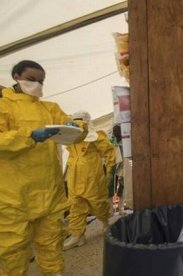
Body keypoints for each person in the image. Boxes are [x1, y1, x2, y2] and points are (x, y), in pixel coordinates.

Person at [0, 60, 87, 275]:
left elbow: (75, 132)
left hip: (49, 192)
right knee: (13, 250)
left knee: (51, 242)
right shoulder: (4, 107)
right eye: (31, 79)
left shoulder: (50, 108)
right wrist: (30, 136)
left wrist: (78, 126)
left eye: (41, 81)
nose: (37, 84)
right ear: (16, 76)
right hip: (13, 195)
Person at [63, 111, 116, 250]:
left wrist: (110, 170)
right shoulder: (70, 138)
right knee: (75, 206)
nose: (76, 123)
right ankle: (77, 236)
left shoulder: (96, 136)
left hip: (91, 176)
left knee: (98, 203)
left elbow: (110, 151)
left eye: (79, 120)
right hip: (74, 177)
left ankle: (105, 223)